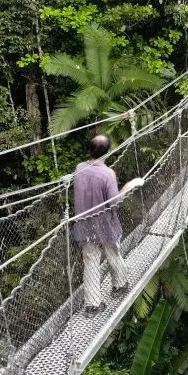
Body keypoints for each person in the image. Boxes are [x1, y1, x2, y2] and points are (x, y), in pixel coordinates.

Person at [73, 134, 131, 316]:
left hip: (84, 225)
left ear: (89, 150)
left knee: (90, 261)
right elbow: (114, 203)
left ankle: (92, 305)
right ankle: (119, 286)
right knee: (113, 253)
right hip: (105, 224)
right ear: (108, 151)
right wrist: (128, 188)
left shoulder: (79, 168)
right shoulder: (108, 174)